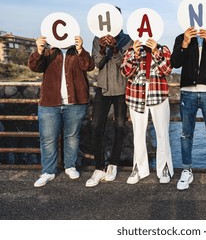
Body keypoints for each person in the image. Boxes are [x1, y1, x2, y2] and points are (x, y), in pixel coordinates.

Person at [28, 36, 95, 187]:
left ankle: (70, 166)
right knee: (48, 139)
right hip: (50, 102)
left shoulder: (76, 51)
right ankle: (48, 171)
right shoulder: (48, 51)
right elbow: (34, 67)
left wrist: (80, 49)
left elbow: (89, 66)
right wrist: (39, 50)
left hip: (75, 102)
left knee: (72, 136)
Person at [171, 27, 206, 192]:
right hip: (187, 92)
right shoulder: (181, 36)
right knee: (186, 134)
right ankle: (186, 170)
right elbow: (175, 63)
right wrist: (185, 43)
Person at [120, 38, 174, 184]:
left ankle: (164, 167)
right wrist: (136, 54)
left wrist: (156, 51)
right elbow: (126, 72)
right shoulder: (131, 51)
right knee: (138, 133)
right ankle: (138, 168)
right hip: (136, 94)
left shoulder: (163, 49)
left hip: (158, 93)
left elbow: (167, 70)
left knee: (162, 133)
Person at [85, 30, 132, 187]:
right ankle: (99, 167)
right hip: (103, 88)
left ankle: (113, 164)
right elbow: (97, 63)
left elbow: (125, 66)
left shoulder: (127, 40)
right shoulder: (97, 39)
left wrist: (116, 49)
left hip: (121, 88)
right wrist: (103, 49)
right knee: (96, 127)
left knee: (120, 127)